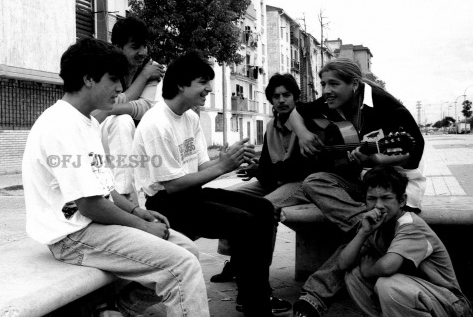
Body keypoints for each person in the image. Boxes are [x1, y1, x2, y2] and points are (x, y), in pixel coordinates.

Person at [22, 38, 209, 317]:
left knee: (188, 250)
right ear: (88, 79)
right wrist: (142, 227)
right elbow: (90, 204)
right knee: (182, 267)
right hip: (72, 236)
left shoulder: (87, 122)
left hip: (91, 225)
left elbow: (105, 191)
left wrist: (137, 211)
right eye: (113, 79)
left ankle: (127, 308)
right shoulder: (60, 125)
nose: (121, 89)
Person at [132, 50, 278, 317]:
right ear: (180, 85)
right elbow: (173, 185)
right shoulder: (156, 123)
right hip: (165, 204)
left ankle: (254, 293)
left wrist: (227, 160)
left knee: (264, 209)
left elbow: (199, 168)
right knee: (244, 222)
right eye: (202, 82)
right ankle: (258, 306)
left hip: (190, 194)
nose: (209, 89)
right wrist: (223, 166)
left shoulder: (190, 116)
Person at [290, 58, 426, 317]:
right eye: (322, 84)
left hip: (396, 184)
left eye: (333, 83)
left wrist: (377, 159)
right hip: (363, 180)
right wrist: (304, 135)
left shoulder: (387, 106)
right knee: (315, 181)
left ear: (354, 84)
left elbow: (414, 149)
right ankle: (366, 227)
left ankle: (316, 295)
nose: (326, 90)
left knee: (370, 230)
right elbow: (297, 112)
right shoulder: (331, 102)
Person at [210, 74, 317, 316]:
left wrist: (263, 169)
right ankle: (236, 263)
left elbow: (297, 169)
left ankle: (259, 286)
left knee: (263, 210)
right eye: (276, 96)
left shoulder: (305, 122)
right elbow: (269, 167)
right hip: (276, 181)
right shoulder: (270, 125)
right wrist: (255, 168)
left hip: (300, 184)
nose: (281, 100)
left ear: (295, 97)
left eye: (286, 95)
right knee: (226, 198)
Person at [339, 166, 472, 317]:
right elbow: (343, 264)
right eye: (371, 199)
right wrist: (363, 232)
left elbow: (387, 266)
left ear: (401, 200)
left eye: (386, 198)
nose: (378, 206)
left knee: (388, 285)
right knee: (353, 275)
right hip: (413, 298)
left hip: (450, 304)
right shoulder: (375, 226)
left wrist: (369, 270)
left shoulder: (411, 226)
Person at [97, 16, 165, 202]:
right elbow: (100, 111)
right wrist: (142, 77)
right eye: (135, 47)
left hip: (132, 139)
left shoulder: (152, 69)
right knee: (122, 120)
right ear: (118, 48)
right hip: (101, 131)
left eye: (145, 46)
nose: (143, 52)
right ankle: (126, 197)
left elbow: (145, 108)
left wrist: (110, 108)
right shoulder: (106, 68)